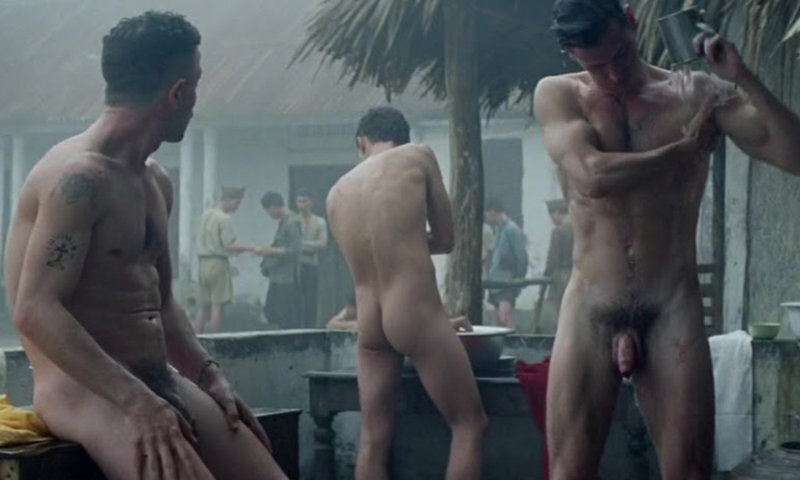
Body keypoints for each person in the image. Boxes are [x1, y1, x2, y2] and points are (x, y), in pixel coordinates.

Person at [2, 11, 287, 480]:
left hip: (158, 378)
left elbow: (163, 300)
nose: (195, 101)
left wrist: (207, 374)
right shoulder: (77, 180)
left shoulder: (155, 181)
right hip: (87, 392)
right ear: (178, 93)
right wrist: (136, 402)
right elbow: (34, 309)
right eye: (196, 85)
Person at [536, 1, 800, 479]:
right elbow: (591, 176)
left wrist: (743, 78)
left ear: (631, 23)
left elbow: (794, 155)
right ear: (573, 56)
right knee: (568, 472)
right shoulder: (559, 94)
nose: (613, 75)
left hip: (669, 303)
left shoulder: (698, 94)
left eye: (621, 55)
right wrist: (679, 153)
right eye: (596, 66)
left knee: (689, 472)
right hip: (593, 304)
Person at [327, 106, 487, 480]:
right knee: (469, 424)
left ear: (361, 143)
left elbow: (372, 255)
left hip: (369, 320)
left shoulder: (337, 193)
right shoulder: (417, 155)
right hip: (413, 312)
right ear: (403, 137)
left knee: (373, 439)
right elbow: (445, 239)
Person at [194, 186, 253, 333]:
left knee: (203, 306)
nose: (237, 207)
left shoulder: (206, 215)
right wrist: (249, 248)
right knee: (217, 306)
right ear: (227, 200)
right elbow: (229, 244)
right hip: (217, 262)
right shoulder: (224, 219)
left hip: (202, 263)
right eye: (236, 203)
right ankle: (216, 339)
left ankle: (196, 338)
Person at [255, 192, 302, 329]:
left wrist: (270, 251)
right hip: (277, 274)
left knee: (284, 315)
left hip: (287, 277)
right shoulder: (284, 221)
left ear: (274, 206)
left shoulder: (292, 222)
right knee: (271, 311)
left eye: (268, 211)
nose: (269, 214)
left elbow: (295, 250)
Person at [484, 198, 529, 329]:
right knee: (499, 320)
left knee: (505, 318)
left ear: (493, 211)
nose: (486, 217)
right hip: (496, 282)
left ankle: (514, 341)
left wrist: (518, 280)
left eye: (487, 213)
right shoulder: (499, 230)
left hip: (507, 282)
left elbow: (521, 257)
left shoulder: (512, 230)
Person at [296, 188, 328, 328]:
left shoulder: (319, 222)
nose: (302, 205)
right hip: (294, 266)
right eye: (299, 201)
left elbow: (322, 244)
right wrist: (307, 246)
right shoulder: (293, 220)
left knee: (311, 299)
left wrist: (301, 245)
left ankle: (310, 329)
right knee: (295, 300)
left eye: (305, 201)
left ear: (311, 203)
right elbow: (289, 245)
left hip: (311, 265)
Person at [543, 199, 573, 316]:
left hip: (562, 276)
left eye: (551, 215)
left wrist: (546, 275)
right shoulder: (578, 229)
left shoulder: (558, 231)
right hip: (577, 275)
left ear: (557, 212)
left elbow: (553, 259)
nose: (551, 219)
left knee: (562, 311)